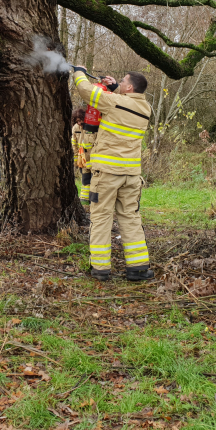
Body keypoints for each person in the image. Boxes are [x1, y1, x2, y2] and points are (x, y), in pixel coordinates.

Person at [72, 68, 152, 282]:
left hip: (107, 174)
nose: (120, 83)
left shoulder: (114, 102)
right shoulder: (145, 108)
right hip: (131, 175)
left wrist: (79, 72)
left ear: (130, 87)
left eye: (123, 81)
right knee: (131, 218)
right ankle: (138, 268)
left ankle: (100, 269)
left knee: (101, 218)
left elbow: (86, 90)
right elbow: (124, 101)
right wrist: (116, 86)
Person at [71, 107, 94, 202]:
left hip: (93, 158)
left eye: (81, 120)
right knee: (85, 180)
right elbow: (74, 144)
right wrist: (76, 160)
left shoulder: (93, 127)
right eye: (77, 121)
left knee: (95, 181)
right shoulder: (75, 128)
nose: (79, 123)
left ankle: (94, 199)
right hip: (82, 158)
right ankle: (84, 199)